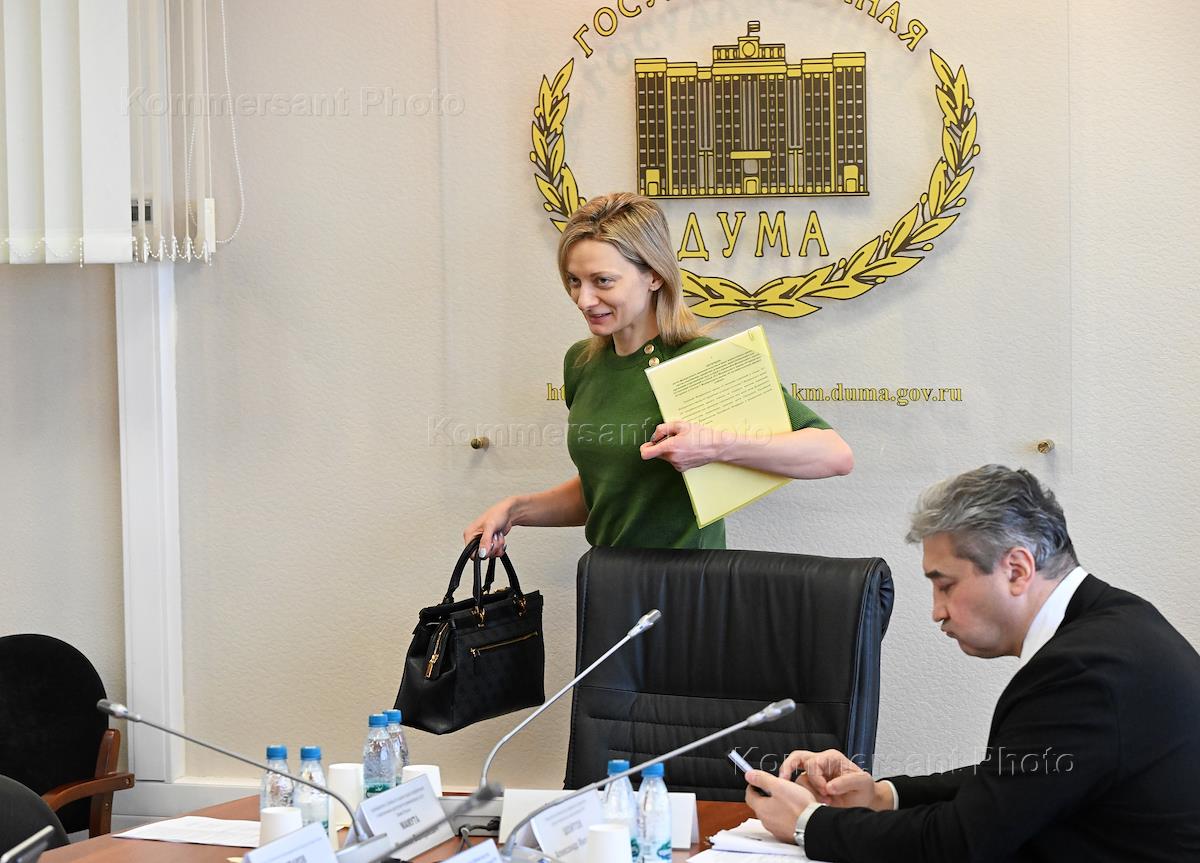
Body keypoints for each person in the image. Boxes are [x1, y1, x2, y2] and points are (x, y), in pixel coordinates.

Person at [743, 464, 1200, 861]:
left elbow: (963, 844)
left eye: (945, 585)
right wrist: (881, 796)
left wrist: (809, 824)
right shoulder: (1119, 623)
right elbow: (1018, 779)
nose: (936, 611)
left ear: (1017, 570)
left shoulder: (1081, 672)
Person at [465, 192, 852, 556]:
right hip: (608, 581)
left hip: (688, 587)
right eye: (574, 281)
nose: (584, 300)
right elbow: (606, 493)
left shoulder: (703, 361)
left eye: (602, 281)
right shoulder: (581, 363)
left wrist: (716, 447)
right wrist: (514, 510)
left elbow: (834, 455)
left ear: (654, 275)